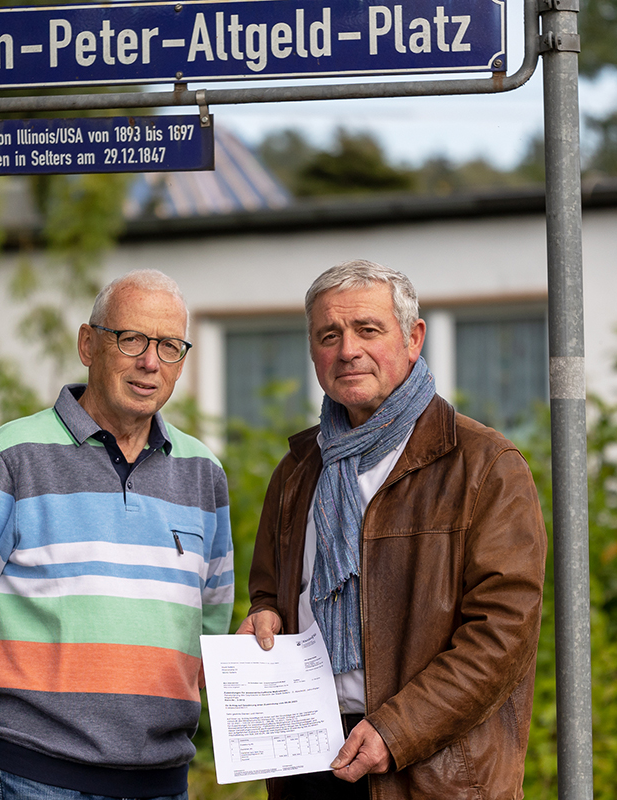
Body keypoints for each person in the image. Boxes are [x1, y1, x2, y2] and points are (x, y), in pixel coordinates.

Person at [237, 260, 547, 800]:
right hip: (308, 763)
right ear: (313, 352)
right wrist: (264, 612)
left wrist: (396, 729)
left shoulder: (485, 464)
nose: (348, 350)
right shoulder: (297, 470)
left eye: (368, 329)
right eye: (328, 335)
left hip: (432, 773)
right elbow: (270, 588)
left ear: (413, 338)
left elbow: (502, 636)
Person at [0, 269, 233, 800]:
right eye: (131, 339)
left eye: (170, 346)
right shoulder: (7, 457)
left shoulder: (204, 472)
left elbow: (211, 618)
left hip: (160, 778)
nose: (150, 362)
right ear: (89, 344)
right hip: (34, 773)